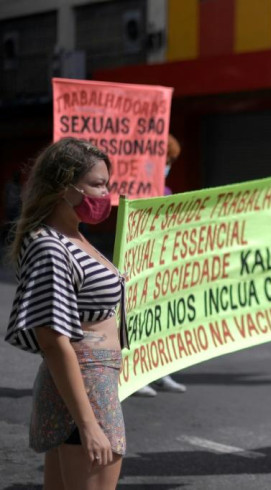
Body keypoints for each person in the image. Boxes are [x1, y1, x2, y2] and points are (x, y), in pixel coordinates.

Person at [4, 138, 128, 489]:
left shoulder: (75, 238)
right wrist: (89, 424)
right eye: (97, 184)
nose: (106, 193)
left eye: (107, 184)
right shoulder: (49, 246)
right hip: (86, 390)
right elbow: (53, 339)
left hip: (91, 386)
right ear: (63, 186)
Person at [134, 134, 187, 396]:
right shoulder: (134, 189)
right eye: (165, 160)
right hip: (140, 263)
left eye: (171, 161)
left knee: (162, 320)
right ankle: (135, 373)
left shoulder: (165, 191)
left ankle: (160, 371)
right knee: (139, 319)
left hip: (162, 262)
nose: (168, 165)